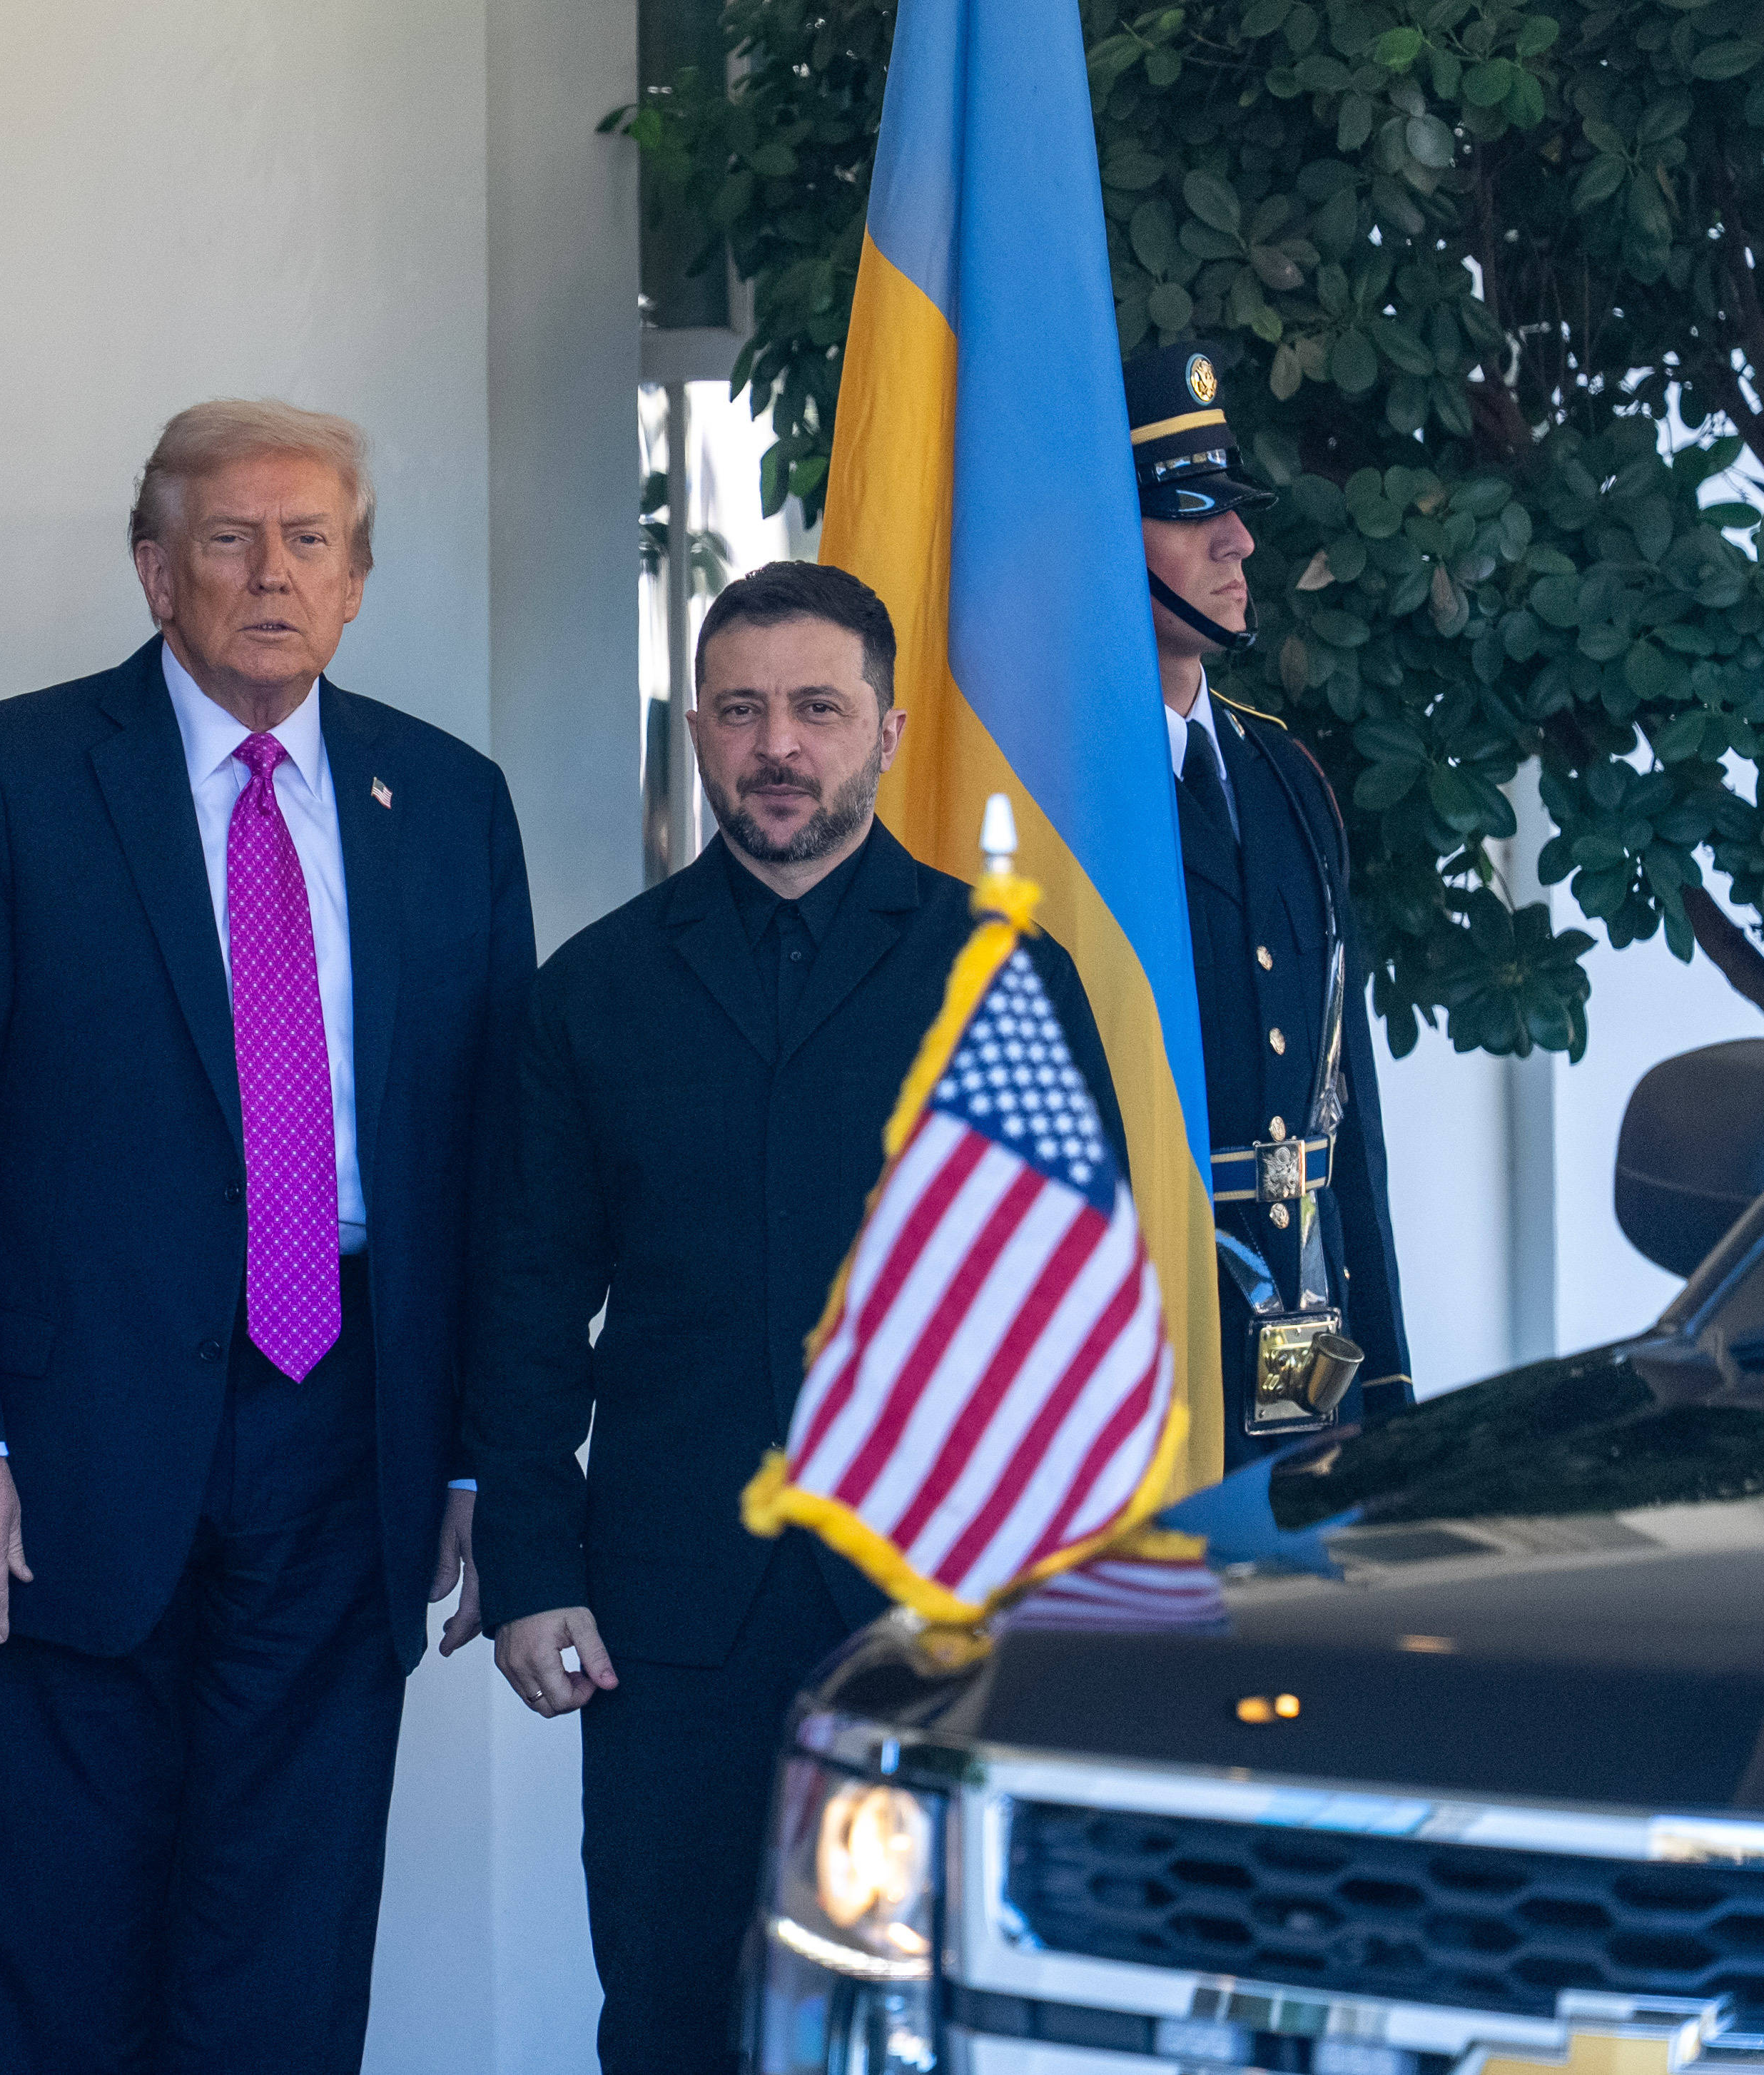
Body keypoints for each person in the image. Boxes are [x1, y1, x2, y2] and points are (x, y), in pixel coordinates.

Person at [0, 397, 534, 2074]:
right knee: (62, 1957)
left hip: (347, 1426)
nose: (272, 572)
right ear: (157, 572)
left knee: (284, 1964)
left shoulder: (447, 802)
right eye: (229, 538)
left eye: (312, 541)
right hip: (54, 1458)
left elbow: (495, 1161)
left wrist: (476, 1457)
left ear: (361, 583)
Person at [465, 561, 1125, 2075]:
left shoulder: (1004, 969)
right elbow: (523, 1306)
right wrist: (528, 1569)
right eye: (744, 709)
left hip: (937, 1607)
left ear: (888, 729)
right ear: (696, 726)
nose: (779, 744)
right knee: (672, 2014)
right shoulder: (593, 994)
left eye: (817, 708)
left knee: (943, 2023)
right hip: (664, 1620)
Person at [1125, 340, 1410, 1463]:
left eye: (1232, 507)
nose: (1235, 539)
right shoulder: (1061, 802)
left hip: (1301, 1329)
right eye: (1188, 509)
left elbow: (1348, 1108)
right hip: (1135, 1348)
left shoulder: (1282, 774)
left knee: (1293, 1599)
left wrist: (1380, 1380)